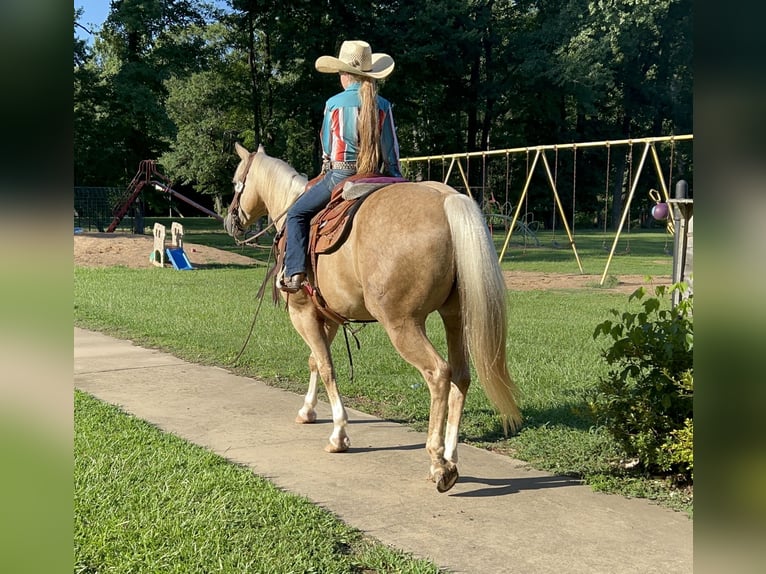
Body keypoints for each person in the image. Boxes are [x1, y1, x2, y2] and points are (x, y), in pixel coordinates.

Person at [280, 40, 402, 293]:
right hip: (378, 175)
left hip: (342, 174)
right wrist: (395, 176)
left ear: (344, 74)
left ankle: (294, 272)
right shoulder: (384, 104)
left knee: (296, 214)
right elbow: (391, 150)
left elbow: (328, 148)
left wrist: (328, 165)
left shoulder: (334, 103)